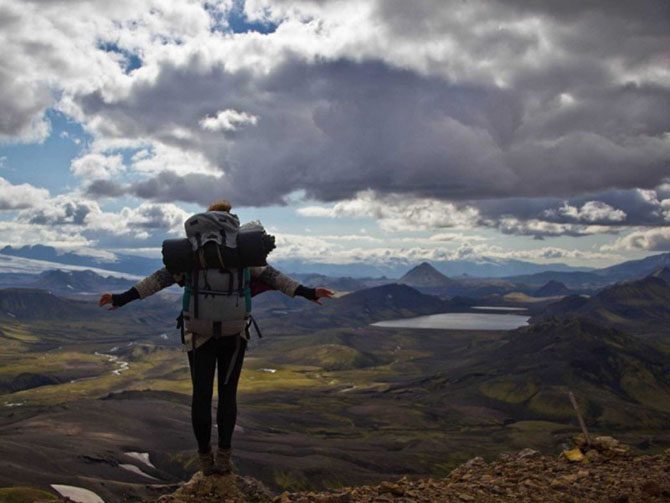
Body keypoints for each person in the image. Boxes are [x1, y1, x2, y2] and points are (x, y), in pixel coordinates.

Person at [99, 199, 333, 476]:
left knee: (200, 396)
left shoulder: (192, 255)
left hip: (199, 333)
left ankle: (204, 460)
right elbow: (275, 278)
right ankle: (224, 457)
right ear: (231, 222)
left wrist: (121, 298)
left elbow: (157, 280)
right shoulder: (241, 254)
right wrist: (308, 292)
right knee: (227, 396)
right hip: (235, 334)